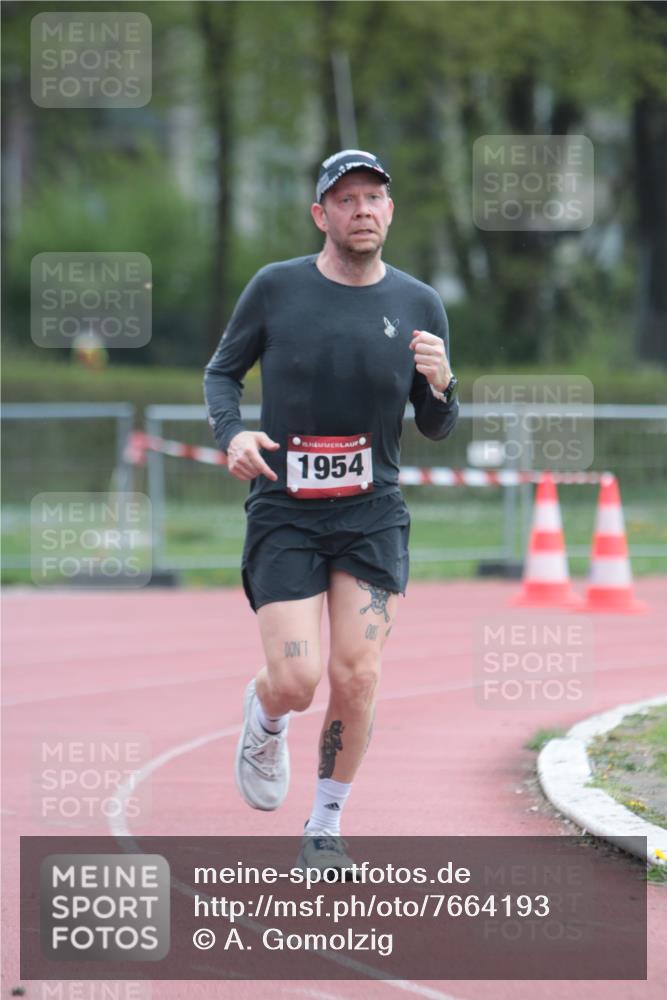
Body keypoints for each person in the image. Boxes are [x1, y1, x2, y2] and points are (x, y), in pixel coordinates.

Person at [204, 149, 458, 872]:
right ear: (321, 215)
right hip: (286, 509)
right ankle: (265, 717)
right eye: (345, 200)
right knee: (297, 679)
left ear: (390, 210)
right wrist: (234, 432)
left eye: (373, 198)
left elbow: (436, 425)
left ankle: (324, 824)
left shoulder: (419, 303)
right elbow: (222, 372)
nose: (362, 211)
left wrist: (442, 386)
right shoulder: (275, 289)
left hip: (371, 511)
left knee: (359, 674)